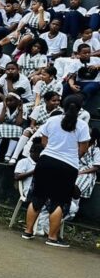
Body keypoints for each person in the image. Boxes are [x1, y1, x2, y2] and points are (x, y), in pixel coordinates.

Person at [22, 95, 90, 248]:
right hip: (68, 166)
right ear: (80, 109)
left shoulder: (52, 120)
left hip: (46, 161)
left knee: (37, 197)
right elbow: (83, 149)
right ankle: (52, 237)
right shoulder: (82, 126)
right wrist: (71, 156)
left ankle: (28, 231)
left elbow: (44, 141)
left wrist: (53, 151)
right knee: (59, 201)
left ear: (63, 106)